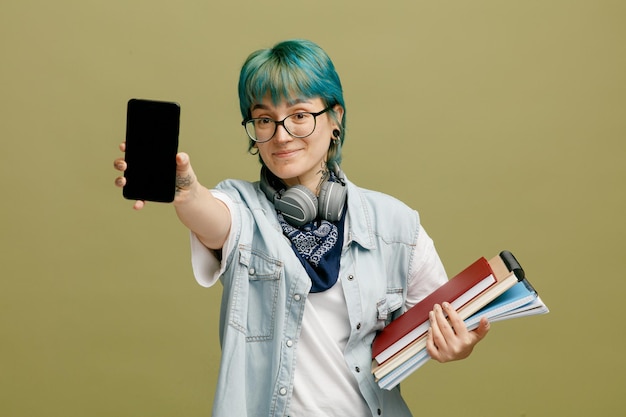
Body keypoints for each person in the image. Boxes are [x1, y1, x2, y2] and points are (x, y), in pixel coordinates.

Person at [114, 39, 490, 417]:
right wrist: (186, 190)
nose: (280, 135)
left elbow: (440, 324)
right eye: (264, 119)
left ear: (334, 118)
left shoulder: (395, 226)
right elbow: (210, 216)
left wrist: (459, 345)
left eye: (299, 115)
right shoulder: (242, 209)